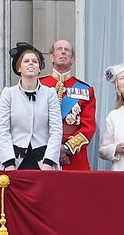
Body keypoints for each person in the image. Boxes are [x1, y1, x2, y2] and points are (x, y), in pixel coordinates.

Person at [0, 42, 61, 170]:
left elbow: (56, 130)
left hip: (43, 162)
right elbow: (2, 129)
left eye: (34, 61)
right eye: (26, 61)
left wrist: (49, 161)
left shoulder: (50, 93)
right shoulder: (8, 93)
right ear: (19, 67)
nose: (31, 63)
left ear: (39, 68)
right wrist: (9, 163)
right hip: (15, 161)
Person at [38, 39, 97, 171]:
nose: (63, 52)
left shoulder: (85, 89)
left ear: (73, 59)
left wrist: (67, 148)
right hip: (43, 150)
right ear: (51, 57)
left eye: (67, 50)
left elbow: (89, 127)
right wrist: (52, 147)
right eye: (59, 49)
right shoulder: (39, 85)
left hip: (74, 155)